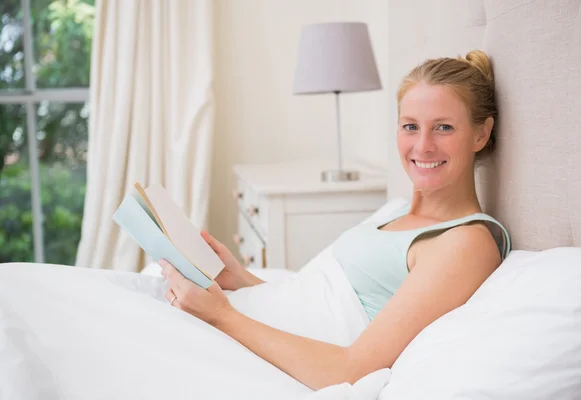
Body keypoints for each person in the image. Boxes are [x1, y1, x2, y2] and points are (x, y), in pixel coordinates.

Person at [159, 50, 510, 391]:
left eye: (444, 127)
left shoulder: (466, 241)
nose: (422, 146)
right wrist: (240, 279)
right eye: (410, 126)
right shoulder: (399, 212)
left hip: (244, 336)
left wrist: (220, 314)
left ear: (481, 133)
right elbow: (325, 304)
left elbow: (351, 368)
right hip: (252, 322)